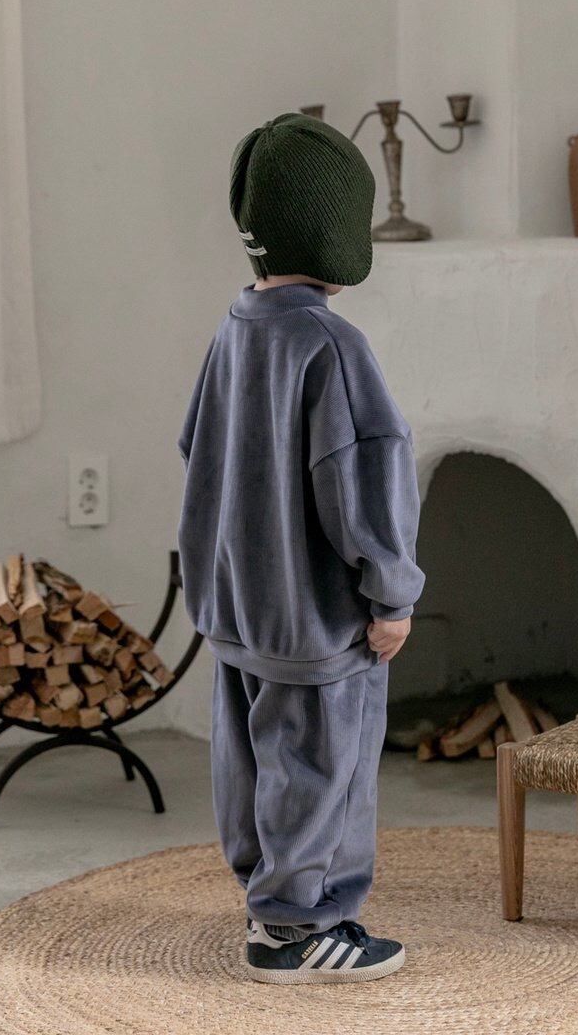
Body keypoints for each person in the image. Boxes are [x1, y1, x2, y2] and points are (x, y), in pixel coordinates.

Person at [177, 113, 425, 983]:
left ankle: (268, 903)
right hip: (316, 619)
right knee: (323, 769)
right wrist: (391, 594)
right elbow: (364, 483)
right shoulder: (332, 345)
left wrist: (217, 578)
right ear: (338, 234)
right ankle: (298, 929)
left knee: (252, 766)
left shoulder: (234, 329)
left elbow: (198, 451)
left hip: (237, 605)